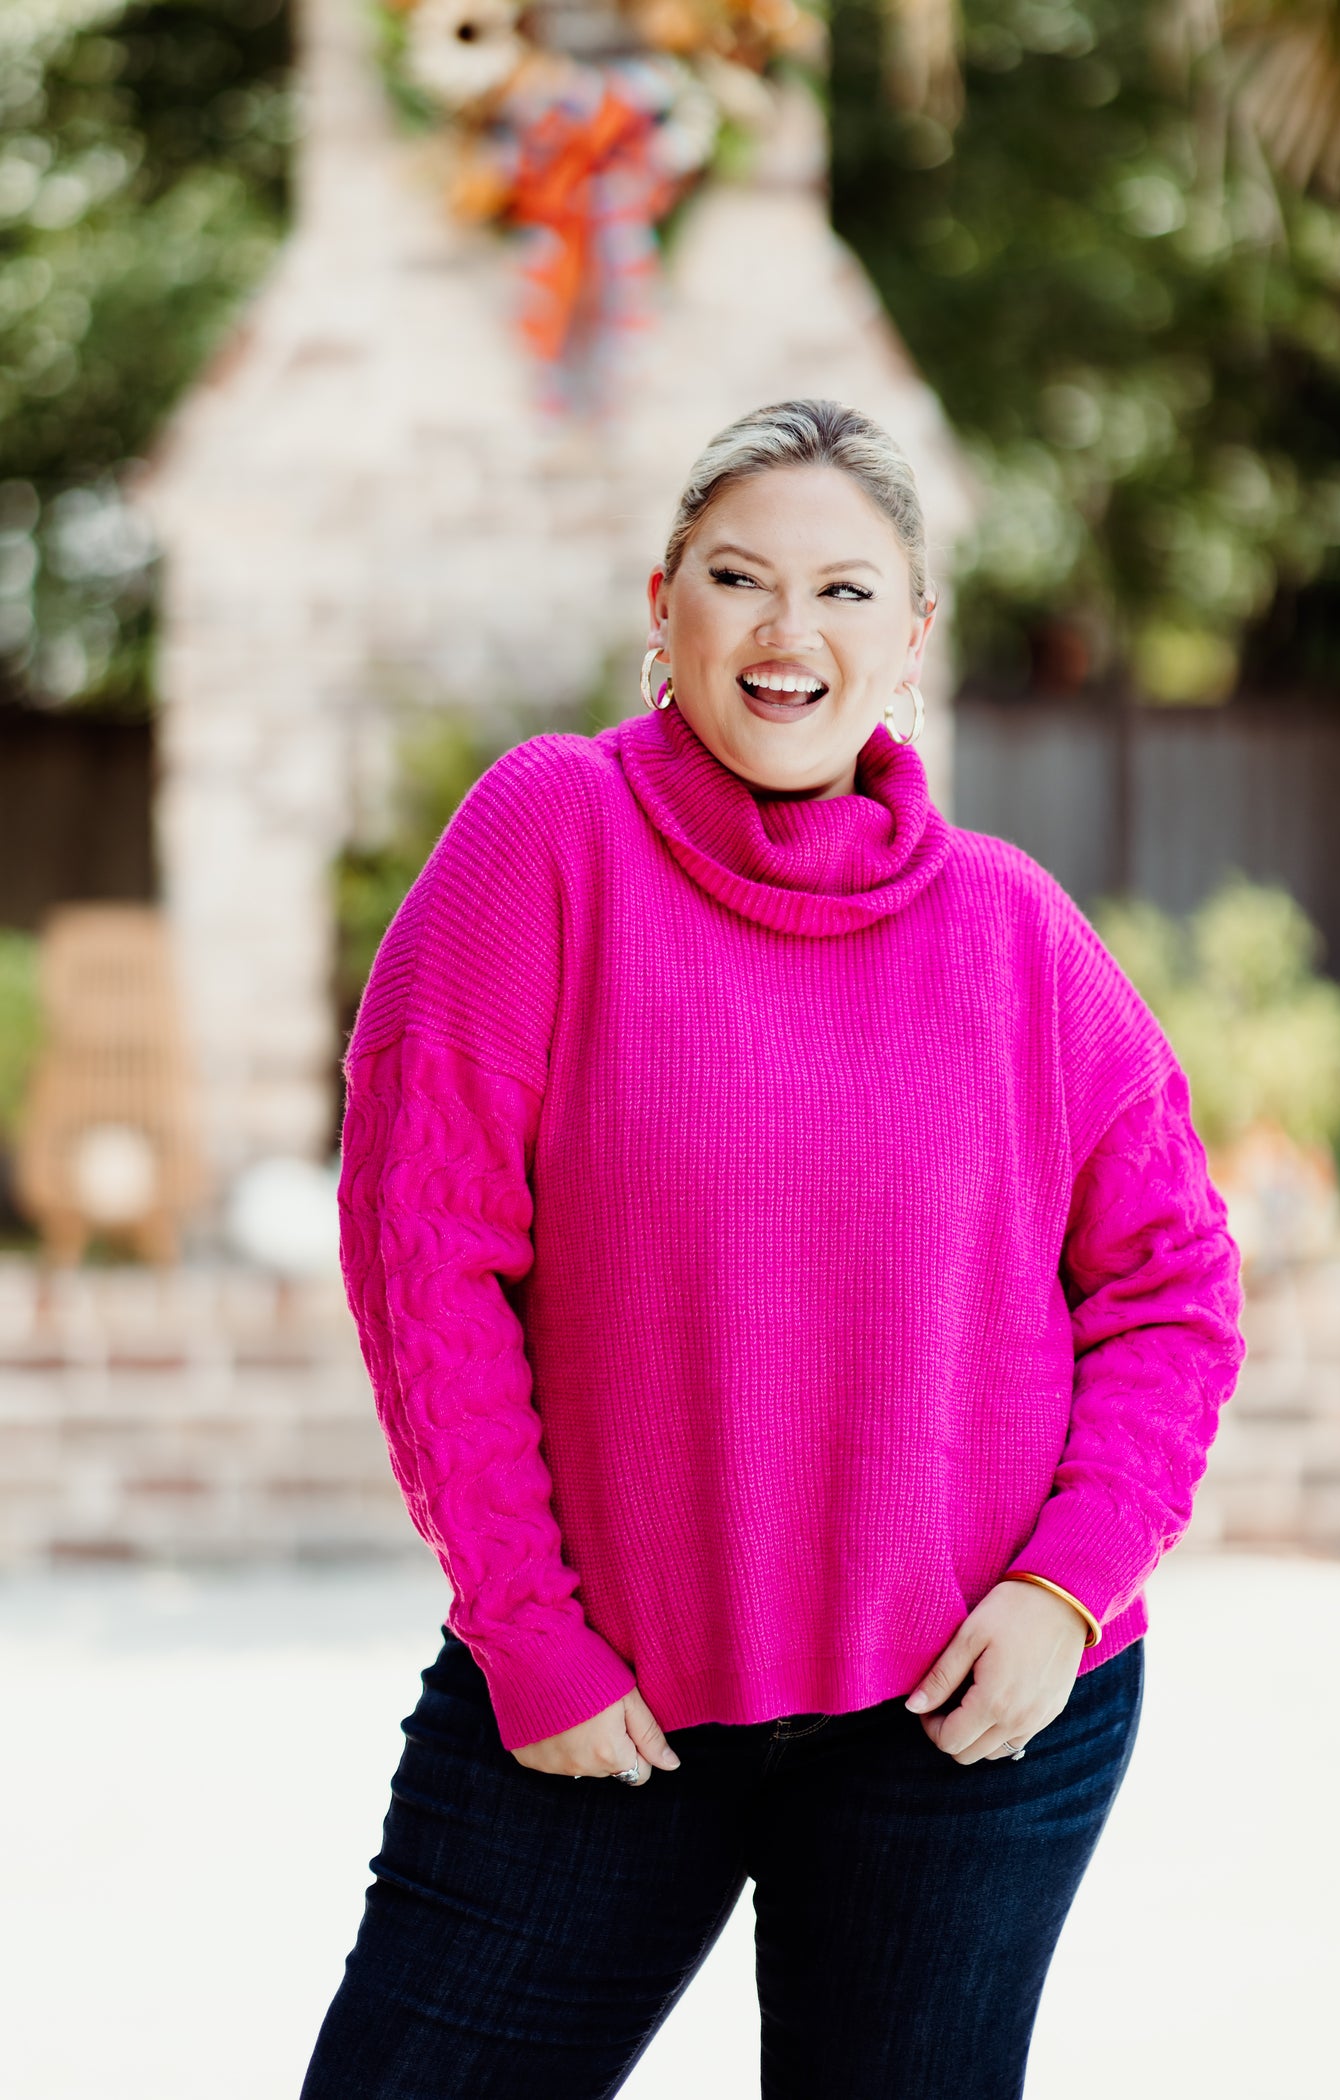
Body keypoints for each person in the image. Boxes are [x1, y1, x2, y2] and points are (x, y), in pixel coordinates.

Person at [299, 397, 1245, 2100]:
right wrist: (526, 1629)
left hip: (974, 1718)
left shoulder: (1014, 930)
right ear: (661, 604)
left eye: (847, 590)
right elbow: (422, 1258)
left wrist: (1068, 1584)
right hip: (602, 1704)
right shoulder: (547, 841)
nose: (788, 633)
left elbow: (1174, 1282)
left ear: (914, 635)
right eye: (739, 578)